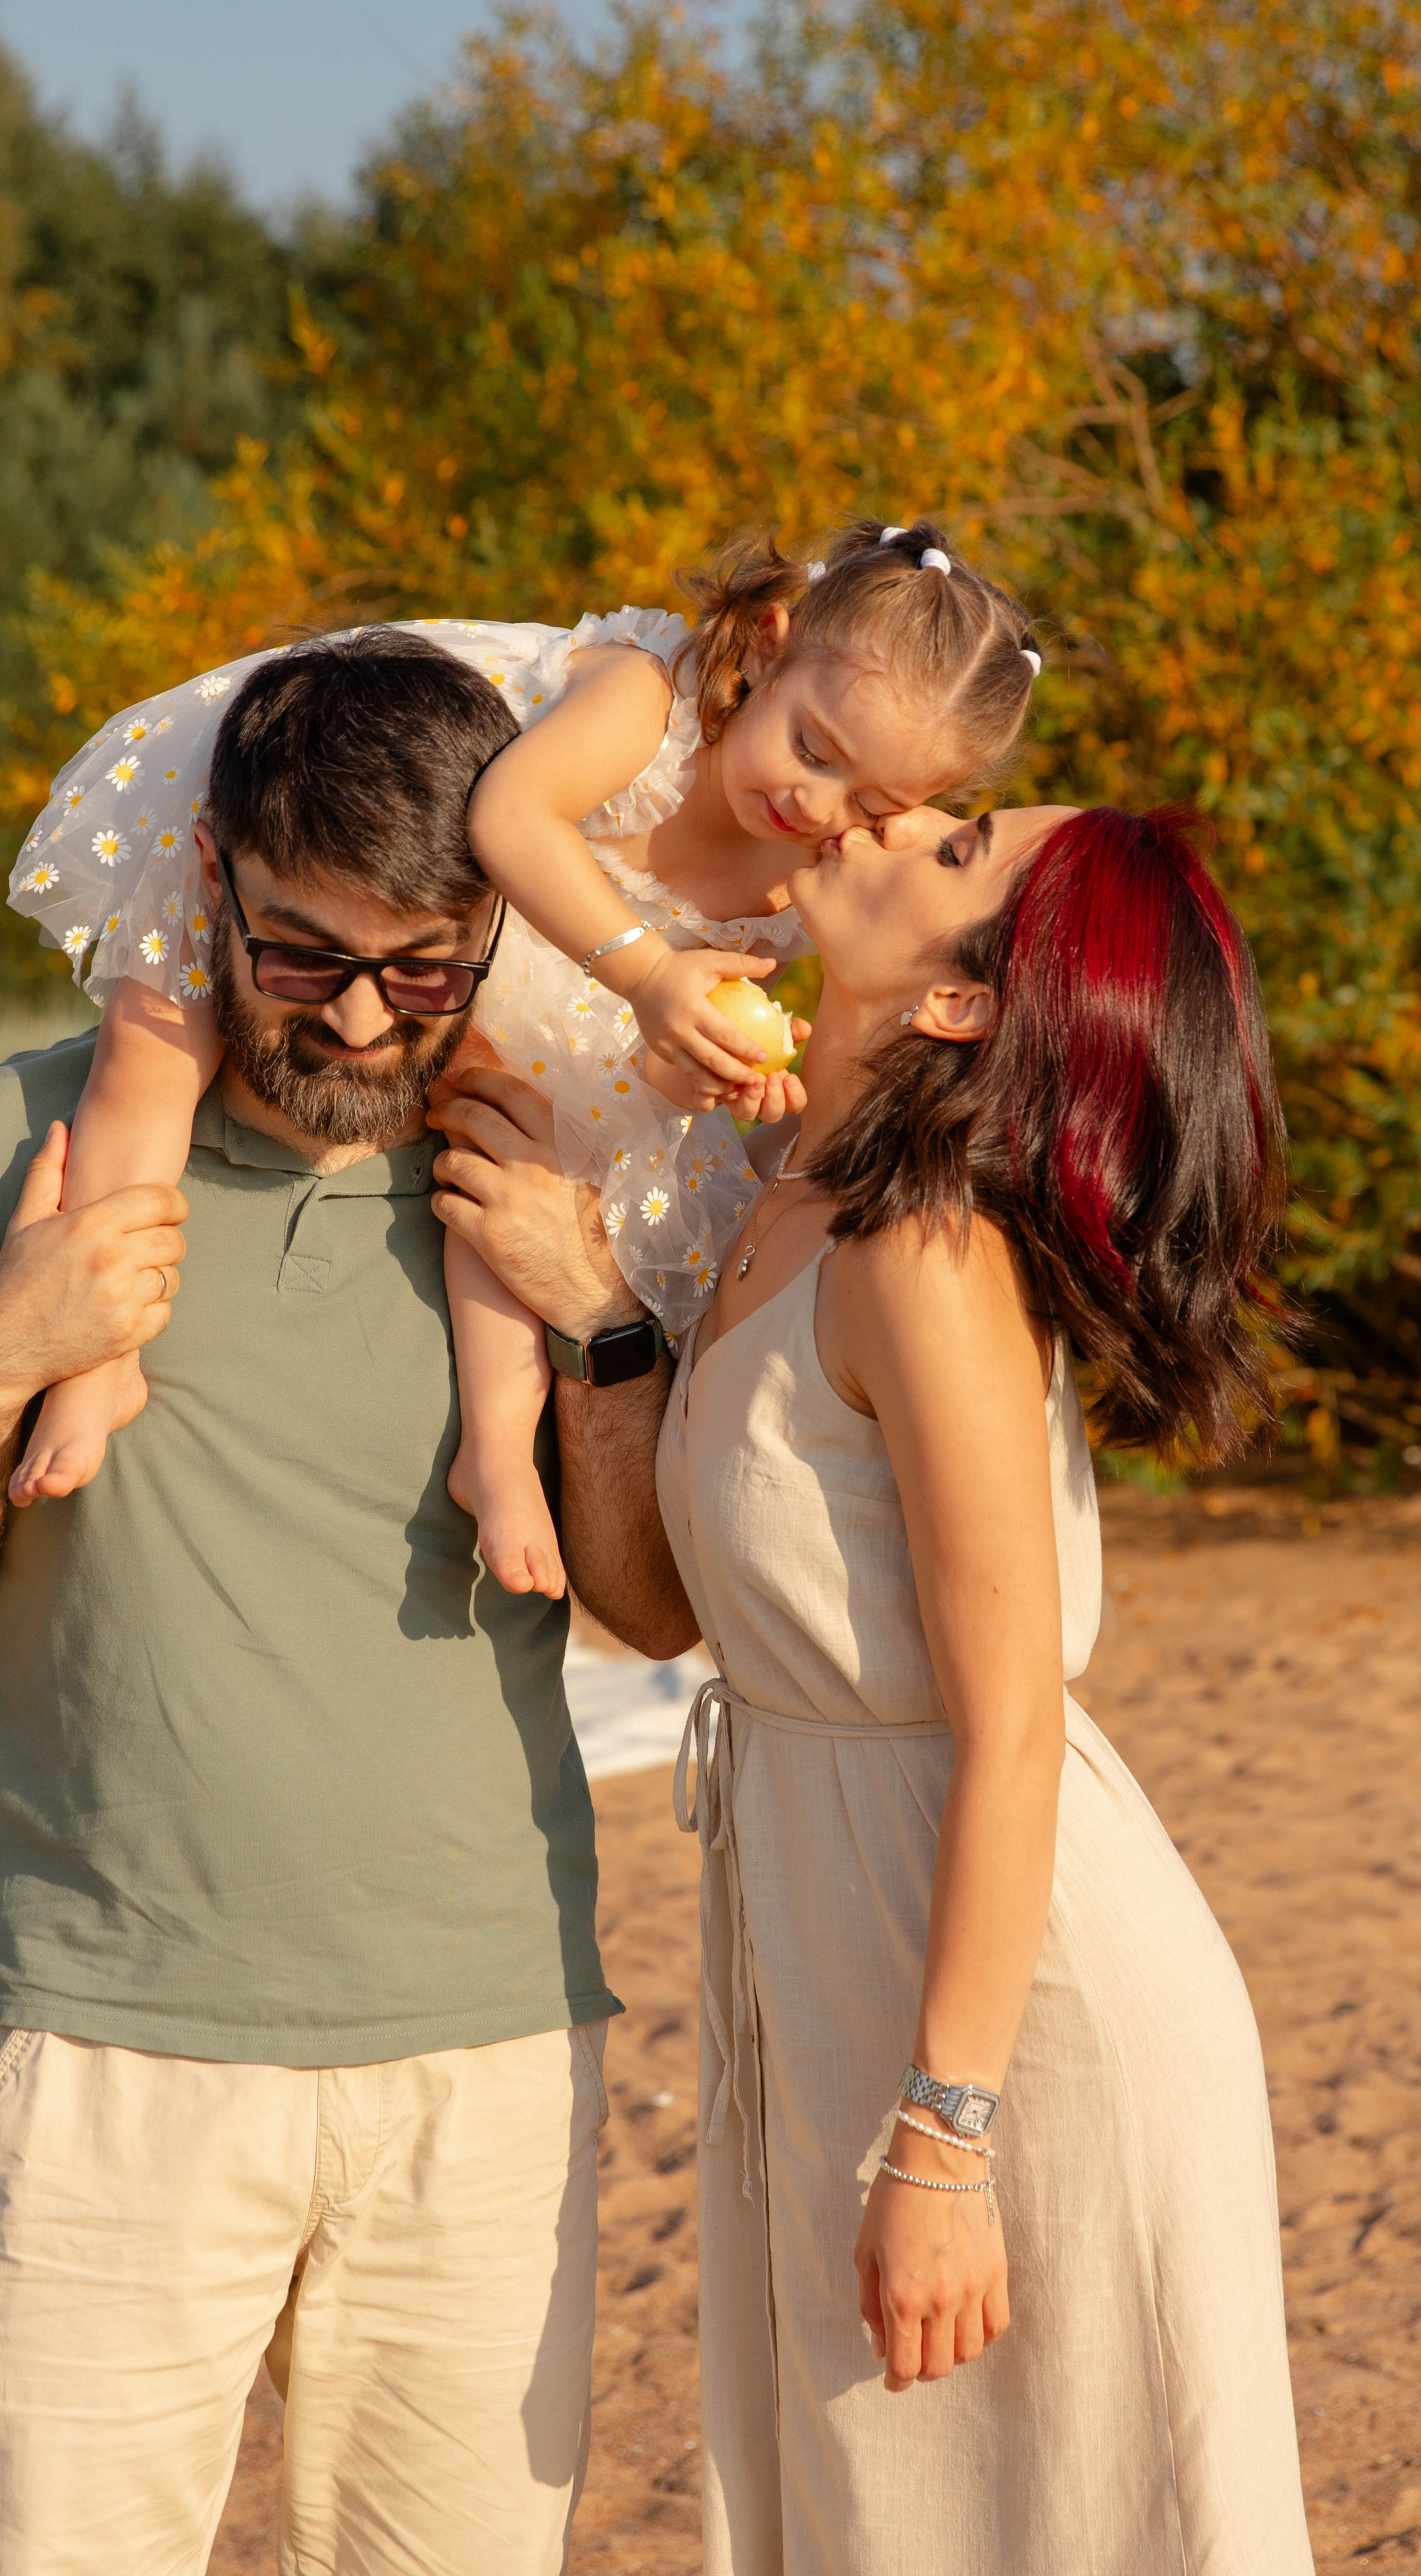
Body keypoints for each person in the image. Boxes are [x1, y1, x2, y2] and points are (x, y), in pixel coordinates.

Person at [0, 629, 692, 2576]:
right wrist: (0, 1360)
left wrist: (600, 1315)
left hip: (488, 2061)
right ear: (208, 883)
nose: (361, 1022)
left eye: (422, 967)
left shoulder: (558, 1172)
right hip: (108, 2057)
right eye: (301, 953)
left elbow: (650, 1609)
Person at [656, 802, 1316, 2571]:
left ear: (957, 1006)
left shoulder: (925, 1254)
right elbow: (663, 1609)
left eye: (951, 848)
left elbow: (1014, 1720)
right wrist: (597, 1329)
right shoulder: (774, 1187)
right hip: (834, 1928)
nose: (882, 819)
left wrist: (947, 2138)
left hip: (1019, 2013)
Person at [3, 519, 1044, 1607]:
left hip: (475, 940)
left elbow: (641, 1052)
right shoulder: (650, 701)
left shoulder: (802, 885)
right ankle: (97, 1357)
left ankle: (496, 1450)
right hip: (347, 796)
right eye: (816, 749)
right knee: (153, 1047)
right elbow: (507, 817)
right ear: (771, 647)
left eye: (874, 804)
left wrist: (696, 1067)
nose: (819, 808)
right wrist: (651, 979)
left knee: (525, 1155)